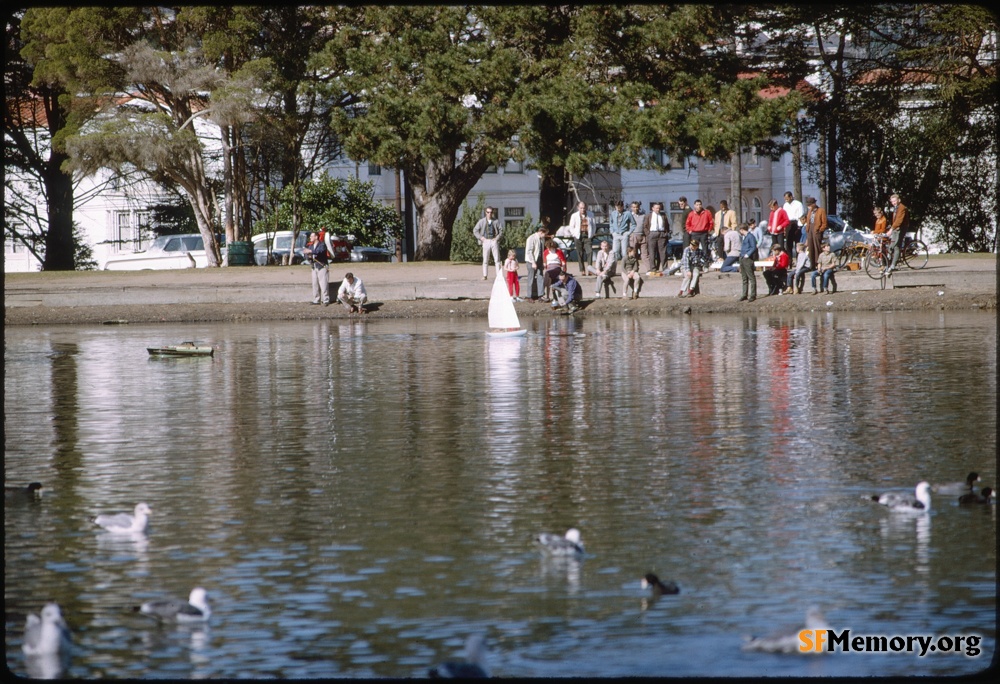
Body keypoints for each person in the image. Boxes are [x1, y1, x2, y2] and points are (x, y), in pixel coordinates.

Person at [473, 206, 503, 280]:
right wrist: (481, 238)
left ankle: (498, 275)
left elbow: (501, 231)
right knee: (485, 259)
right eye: (488, 212)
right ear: (485, 213)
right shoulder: (482, 221)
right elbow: (475, 230)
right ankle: (485, 275)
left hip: (493, 241)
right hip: (485, 241)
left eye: (491, 212)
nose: (489, 214)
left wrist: (497, 238)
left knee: (497, 259)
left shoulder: (496, 221)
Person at [885, 193, 911, 276]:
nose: (893, 203)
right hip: (896, 228)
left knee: (896, 246)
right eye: (892, 202)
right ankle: (888, 264)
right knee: (891, 245)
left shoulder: (902, 208)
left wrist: (891, 229)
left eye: (895, 201)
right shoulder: (896, 208)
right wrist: (891, 227)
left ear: (899, 200)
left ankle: (893, 265)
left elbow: (899, 220)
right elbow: (895, 221)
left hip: (902, 228)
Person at [567, 201, 596, 275]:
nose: (583, 209)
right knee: (580, 253)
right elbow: (571, 227)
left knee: (589, 252)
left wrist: (592, 234)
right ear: (578, 208)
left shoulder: (591, 214)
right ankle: (582, 270)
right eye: (581, 208)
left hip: (587, 236)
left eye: (584, 208)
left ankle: (590, 269)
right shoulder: (574, 215)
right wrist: (574, 234)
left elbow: (594, 226)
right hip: (578, 236)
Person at [303, 231, 330, 305]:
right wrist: (307, 256)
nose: (310, 238)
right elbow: (305, 254)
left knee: (324, 284)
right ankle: (316, 299)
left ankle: (326, 300)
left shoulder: (322, 244)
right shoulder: (310, 246)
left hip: (322, 266)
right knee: (315, 284)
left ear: (316, 237)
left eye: (312, 236)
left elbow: (319, 251)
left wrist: (310, 251)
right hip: (314, 267)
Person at [643, 201, 668, 275]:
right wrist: (648, 234)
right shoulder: (648, 216)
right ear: (653, 208)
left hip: (661, 234)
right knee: (652, 252)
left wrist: (666, 233)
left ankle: (665, 268)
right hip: (652, 234)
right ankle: (653, 269)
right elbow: (645, 226)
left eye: (659, 208)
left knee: (663, 252)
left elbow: (667, 225)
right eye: (656, 208)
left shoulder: (663, 215)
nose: (658, 210)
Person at [524, 224, 547, 301]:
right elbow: (529, 251)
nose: (545, 235)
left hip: (539, 260)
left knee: (540, 277)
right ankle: (529, 296)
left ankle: (540, 295)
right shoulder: (531, 238)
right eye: (544, 234)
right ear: (540, 232)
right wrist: (533, 262)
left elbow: (542, 251)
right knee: (531, 278)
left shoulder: (542, 239)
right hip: (531, 261)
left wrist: (543, 261)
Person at [803, 196, 827, 268]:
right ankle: (812, 264)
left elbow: (824, 223)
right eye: (808, 205)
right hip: (810, 230)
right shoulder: (810, 211)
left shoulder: (821, 210)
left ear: (814, 204)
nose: (809, 207)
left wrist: (820, 230)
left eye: (810, 205)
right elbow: (808, 221)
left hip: (817, 230)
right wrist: (807, 229)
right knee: (810, 247)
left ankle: (818, 263)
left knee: (817, 247)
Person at [737, 222, 758, 302]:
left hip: (747, 259)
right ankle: (744, 294)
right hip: (742, 258)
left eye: (740, 230)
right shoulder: (745, 237)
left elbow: (753, 247)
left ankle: (753, 295)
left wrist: (748, 254)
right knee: (744, 278)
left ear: (742, 230)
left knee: (751, 277)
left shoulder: (750, 237)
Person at [541, 238, 567, 302]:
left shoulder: (558, 251)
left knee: (547, 274)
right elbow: (545, 262)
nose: (548, 248)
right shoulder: (546, 252)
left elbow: (563, 261)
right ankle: (547, 296)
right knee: (548, 278)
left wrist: (564, 270)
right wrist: (544, 266)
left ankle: (542, 293)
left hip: (557, 267)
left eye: (549, 247)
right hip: (549, 268)